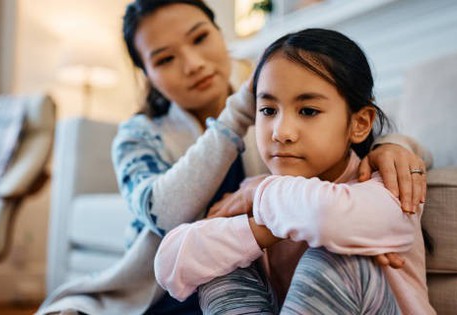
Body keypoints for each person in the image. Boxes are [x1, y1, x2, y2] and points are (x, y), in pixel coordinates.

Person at [37, 1, 430, 314]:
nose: (192, 64)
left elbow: (351, 163)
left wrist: (390, 146)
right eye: (165, 59)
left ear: (220, 35)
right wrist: (240, 111)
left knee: (330, 255)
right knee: (220, 268)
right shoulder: (142, 136)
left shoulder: (314, 142)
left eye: (199, 38)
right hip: (168, 296)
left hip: (327, 274)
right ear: (147, 75)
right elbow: (169, 227)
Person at [154, 28, 435, 314]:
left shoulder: (389, 188)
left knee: (337, 259)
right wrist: (258, 229)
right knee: (219, 263)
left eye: (308, 111)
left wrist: (258, 196)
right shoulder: (262, 195)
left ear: (360, 123)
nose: (281, 132)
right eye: (268, 110)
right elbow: (169, 261)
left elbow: (324, 215)